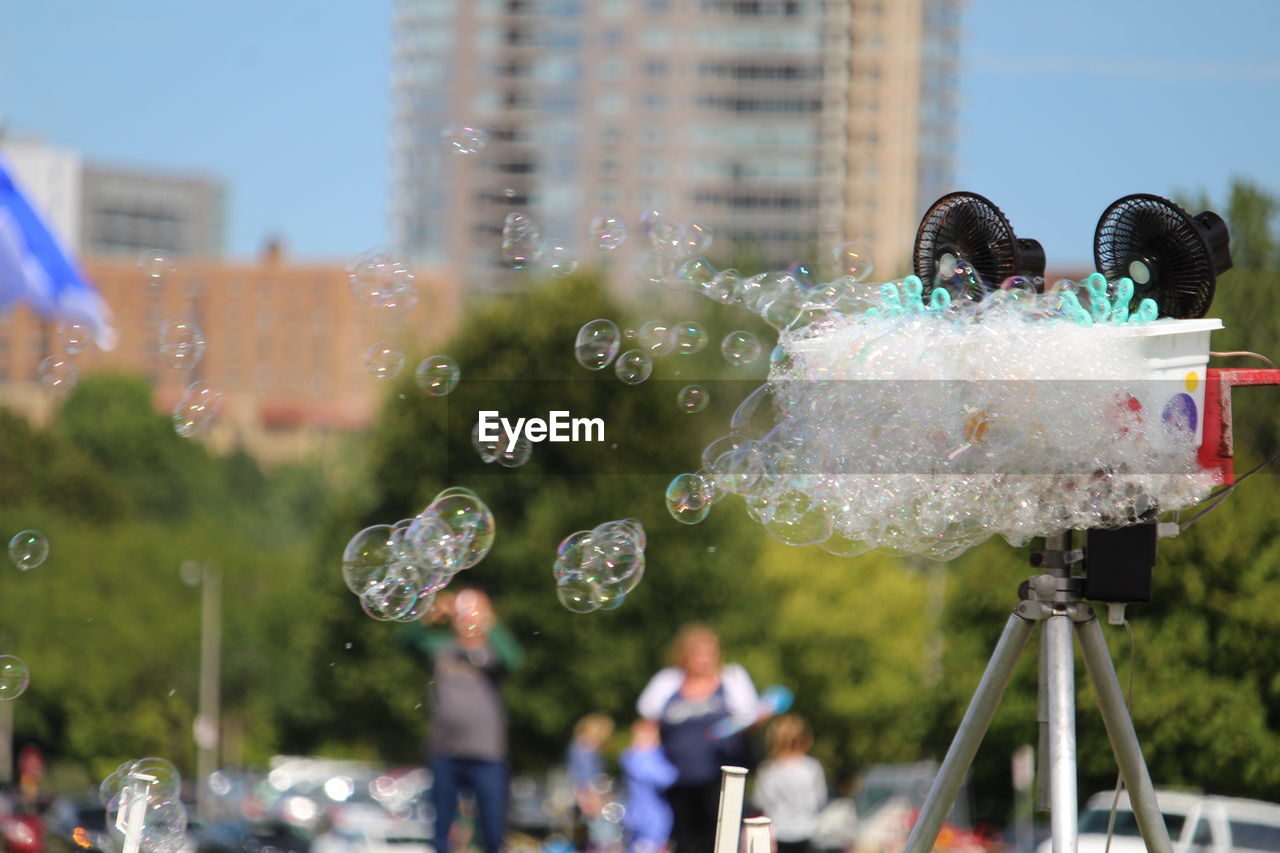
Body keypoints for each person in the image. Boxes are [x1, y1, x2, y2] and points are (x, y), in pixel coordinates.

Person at [398, 587, 523, 853]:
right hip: (445, 751)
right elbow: (405, 642)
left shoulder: (492, 654)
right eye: (463, 610)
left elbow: (515, 658)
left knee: (493, 830)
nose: (468, 616)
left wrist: (491, 621)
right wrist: (428, 616)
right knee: (441, 831)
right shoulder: (441, 647)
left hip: (487, 754)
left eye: (475, 610)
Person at [636, 624, 760, 853]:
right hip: (677, 782)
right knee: (684, 841)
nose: (704, 658)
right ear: (684, 654)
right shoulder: (667, 681)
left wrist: (759, 717)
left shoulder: (732, 678)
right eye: (697, 652)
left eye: (709, 652)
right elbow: (646, 726)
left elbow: (749, 721)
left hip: (722, 780)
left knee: (720, 839)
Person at [752, 715, 827, 853]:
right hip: (809, 832)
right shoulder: (812, 767)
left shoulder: (768, 769)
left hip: (778, 834)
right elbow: (820, 799)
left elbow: (760, 803)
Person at [619, 717, 679, 853]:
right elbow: (666, 778)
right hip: (649, 817)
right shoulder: (641, 757)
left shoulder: (632, 756)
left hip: (643, 815)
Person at [567, 712, 615, 851]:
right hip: (592, 799)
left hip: (586, 798)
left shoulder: (576, 746)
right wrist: (596, 800)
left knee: (588, 839)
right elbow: (587, 779)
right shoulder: (587, 748)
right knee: (602, 839)